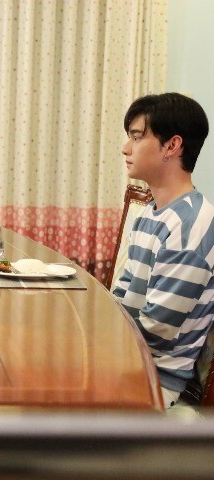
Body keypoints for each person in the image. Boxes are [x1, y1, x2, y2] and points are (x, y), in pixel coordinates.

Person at [114, 92, 214, 410]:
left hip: (156, 380)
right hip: (128, 362)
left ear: (172, 146)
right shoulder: (151, 212)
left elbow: (157, 332)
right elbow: (122, 296)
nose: (126, 148)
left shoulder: (192, 225)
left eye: (137, 137)